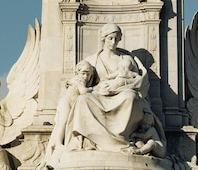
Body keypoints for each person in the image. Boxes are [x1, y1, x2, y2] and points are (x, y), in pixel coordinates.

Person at [64, 23, 153, 153]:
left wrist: (119, 85)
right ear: (103, 39)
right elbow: (81, 79)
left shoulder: (127, 59)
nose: (114, 42)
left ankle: (122, 138)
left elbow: (138, 82)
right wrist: (70, 81)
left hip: (121, 94)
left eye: (116, 39)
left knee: (131, 96)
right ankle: (92, 140)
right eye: (110, 38)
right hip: (99, 95)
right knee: (82, 100)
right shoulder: (92, 60)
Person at [43, 61, 95, 166]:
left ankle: (57, 143)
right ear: (78, 72)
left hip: (71, 105)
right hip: (66, 104)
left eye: (88, 74)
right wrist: (93, 89)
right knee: (62, 123)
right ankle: (58, 143)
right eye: (83, 73)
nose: (85, 77)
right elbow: (83, 91)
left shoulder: (77, 80)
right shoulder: (77, 80)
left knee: (64, 124)